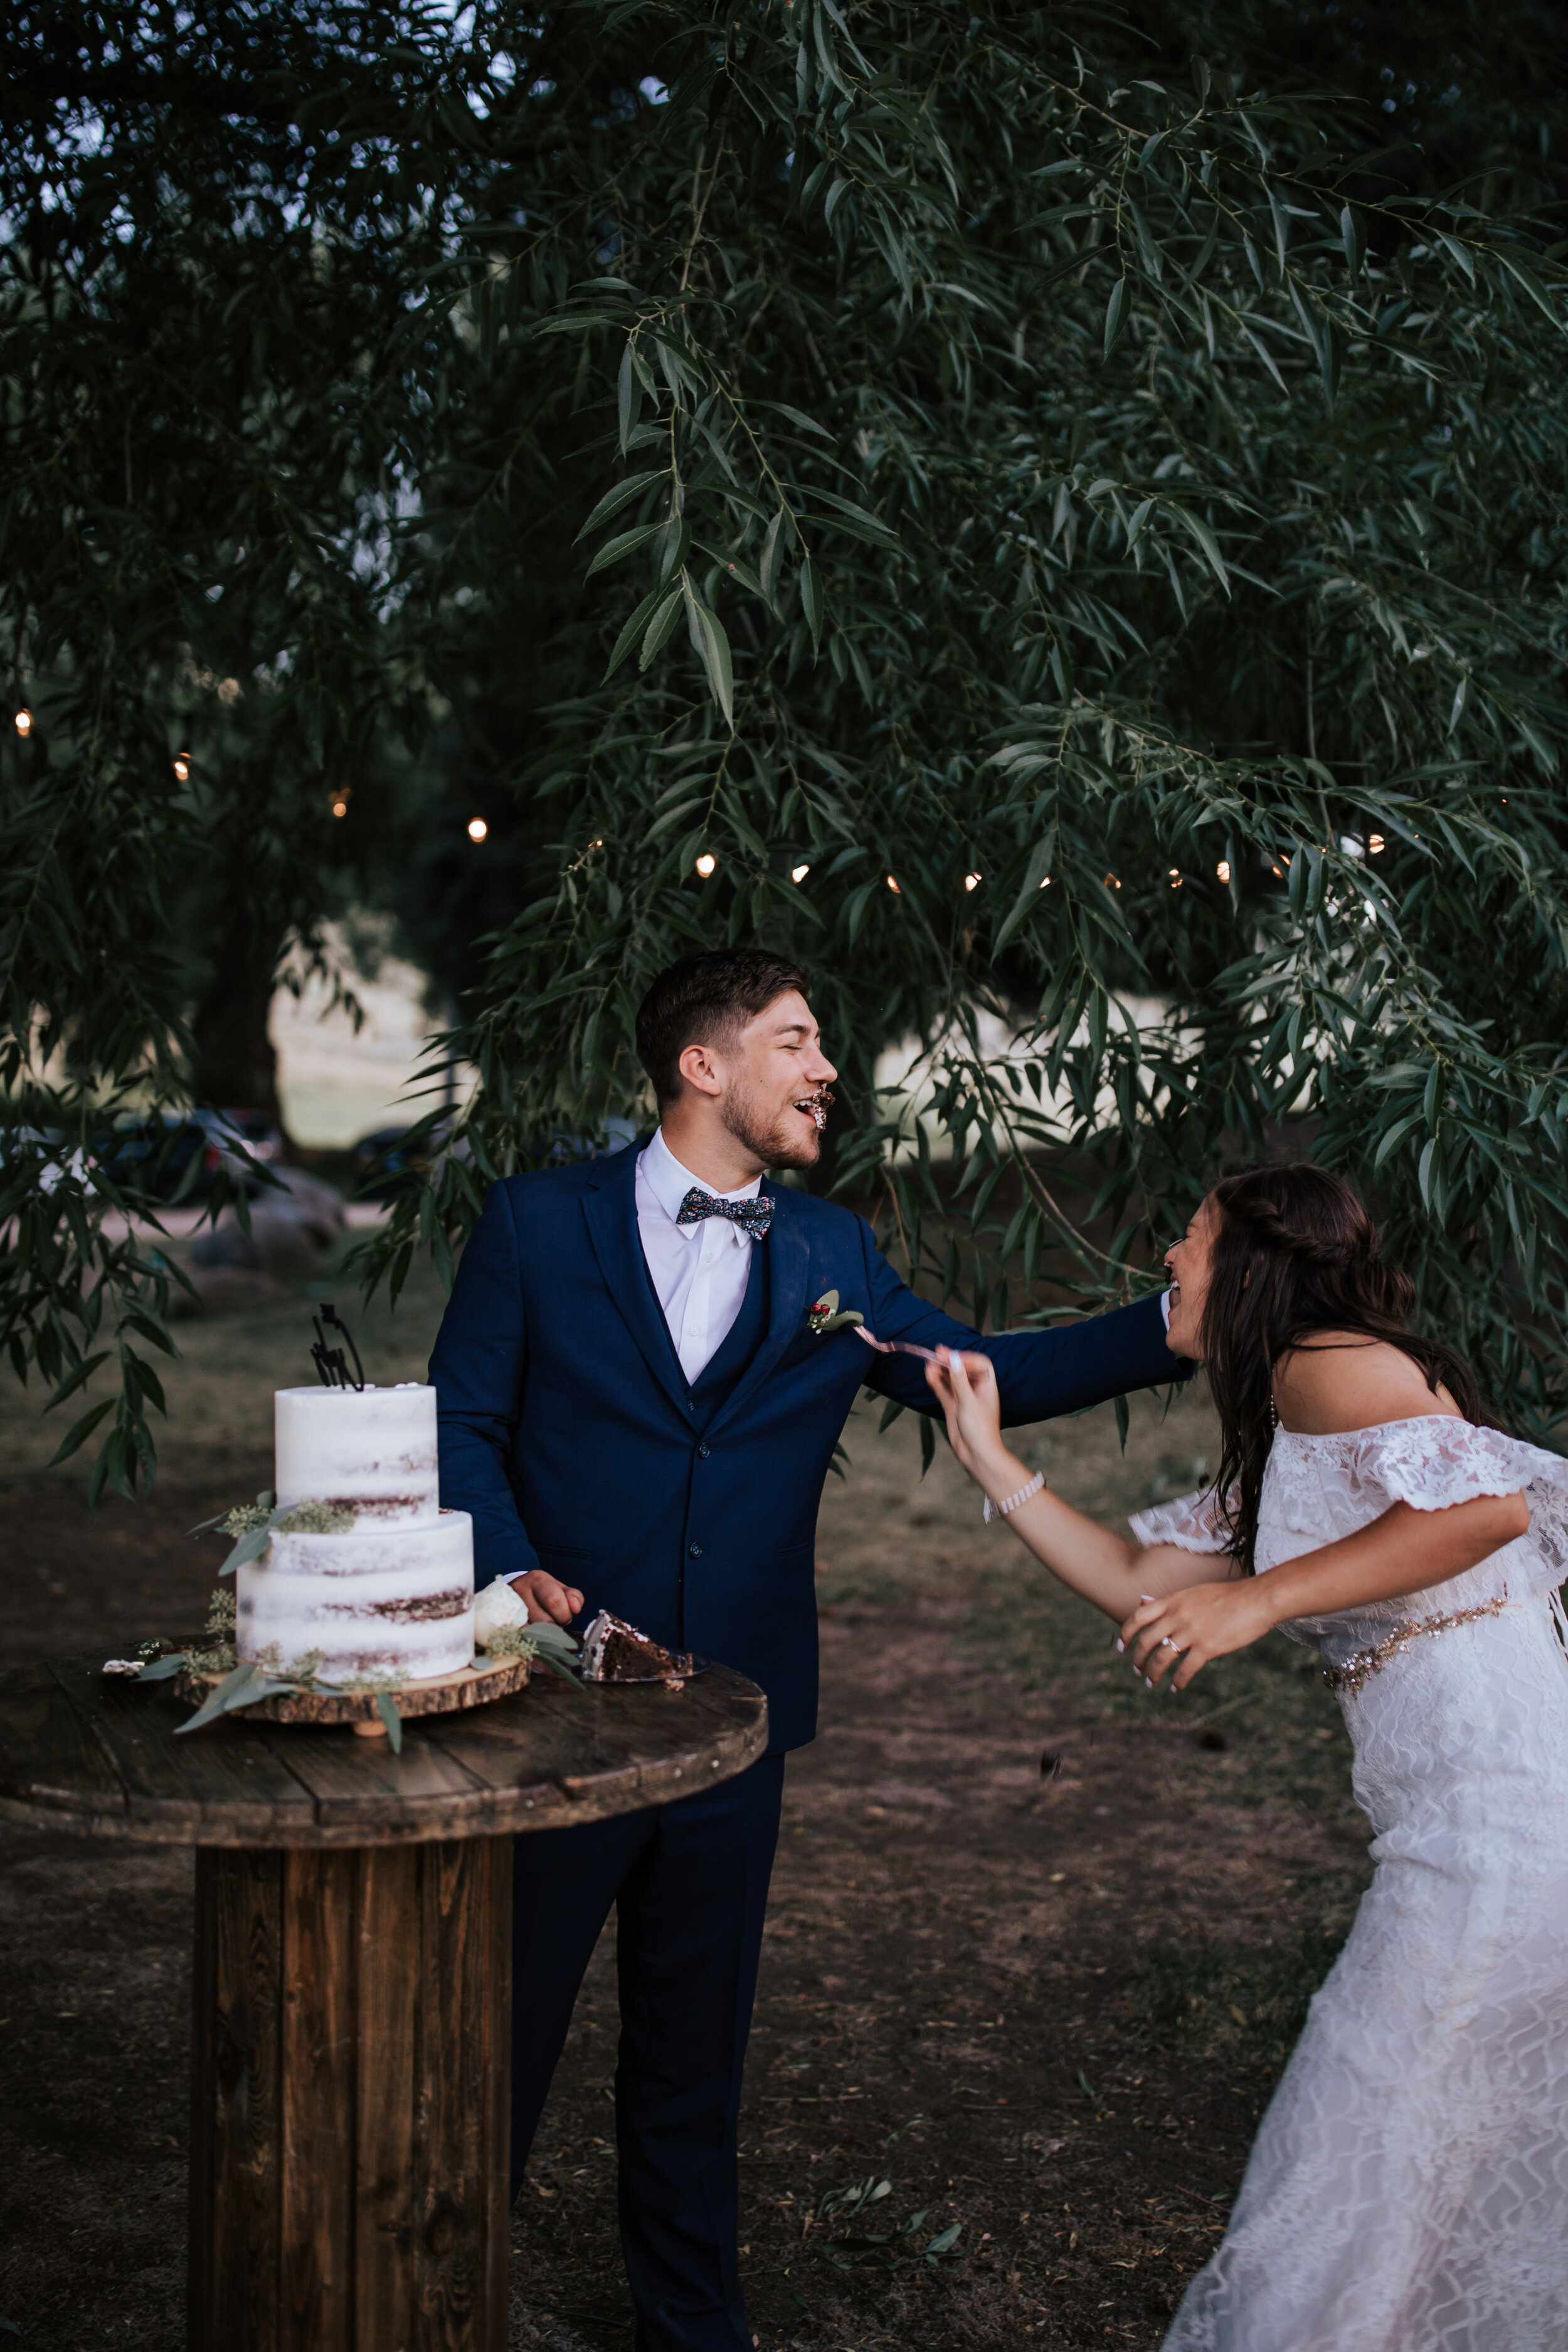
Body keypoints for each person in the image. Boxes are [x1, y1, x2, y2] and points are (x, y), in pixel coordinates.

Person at [428, 946, 1188, 2352]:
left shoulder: (833, 1255)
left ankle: (691, 2326)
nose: (825, 1066)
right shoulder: (537, 1224)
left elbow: (979, 1374)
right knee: (492, 2044)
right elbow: (458, 1423)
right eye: (795, 1039)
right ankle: (420, 2300)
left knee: (690, 2055)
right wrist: (508, 1563)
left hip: (734, 1719)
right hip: (553, 1712)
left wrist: (1171, 1329)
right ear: (701, 1066)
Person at [926, 1160, 1568, 2352]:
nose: (1168, 1255)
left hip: (1502, 1841)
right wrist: (990, 1459)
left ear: (1254, 1271)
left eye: (1190, 1234)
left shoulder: (1331, 1363)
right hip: (1473, 1837)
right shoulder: (1293, 1417)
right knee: (1418, 2186)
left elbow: (1488, 1511)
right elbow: (1136, 1580)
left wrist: (1262, 1601)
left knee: (1337, 2170)